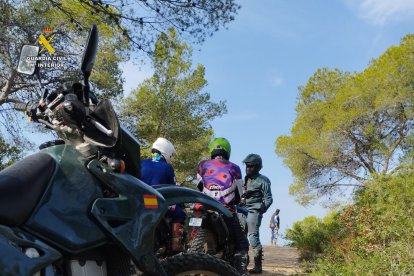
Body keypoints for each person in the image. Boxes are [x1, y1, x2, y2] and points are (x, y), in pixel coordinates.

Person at [197, 138, 249, 276]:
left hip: (205, 208)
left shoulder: (202, 165)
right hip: (226, 210)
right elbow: (239, 192)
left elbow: (199, 186)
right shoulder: (234, 167)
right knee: (242, 243)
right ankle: (241, 271)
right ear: (227, 151)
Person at [140, 137, 185, 252]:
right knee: (180, 213)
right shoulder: (167, 167)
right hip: (156, 203)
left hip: (139, 202)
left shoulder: (142, 163)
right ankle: (176, 244)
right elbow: (173, 190)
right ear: (166, 152)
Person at [242, 153, 273, 274]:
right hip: (242, 209)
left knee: (253, 237)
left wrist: (261, 209)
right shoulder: (246, 178)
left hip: (254, 211)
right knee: (240, 237)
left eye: (251, 166)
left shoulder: (263, 180)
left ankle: (258, 266)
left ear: (258, 167)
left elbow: (269, 199)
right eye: (247, 166)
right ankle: (242, 263)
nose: (248, 168)